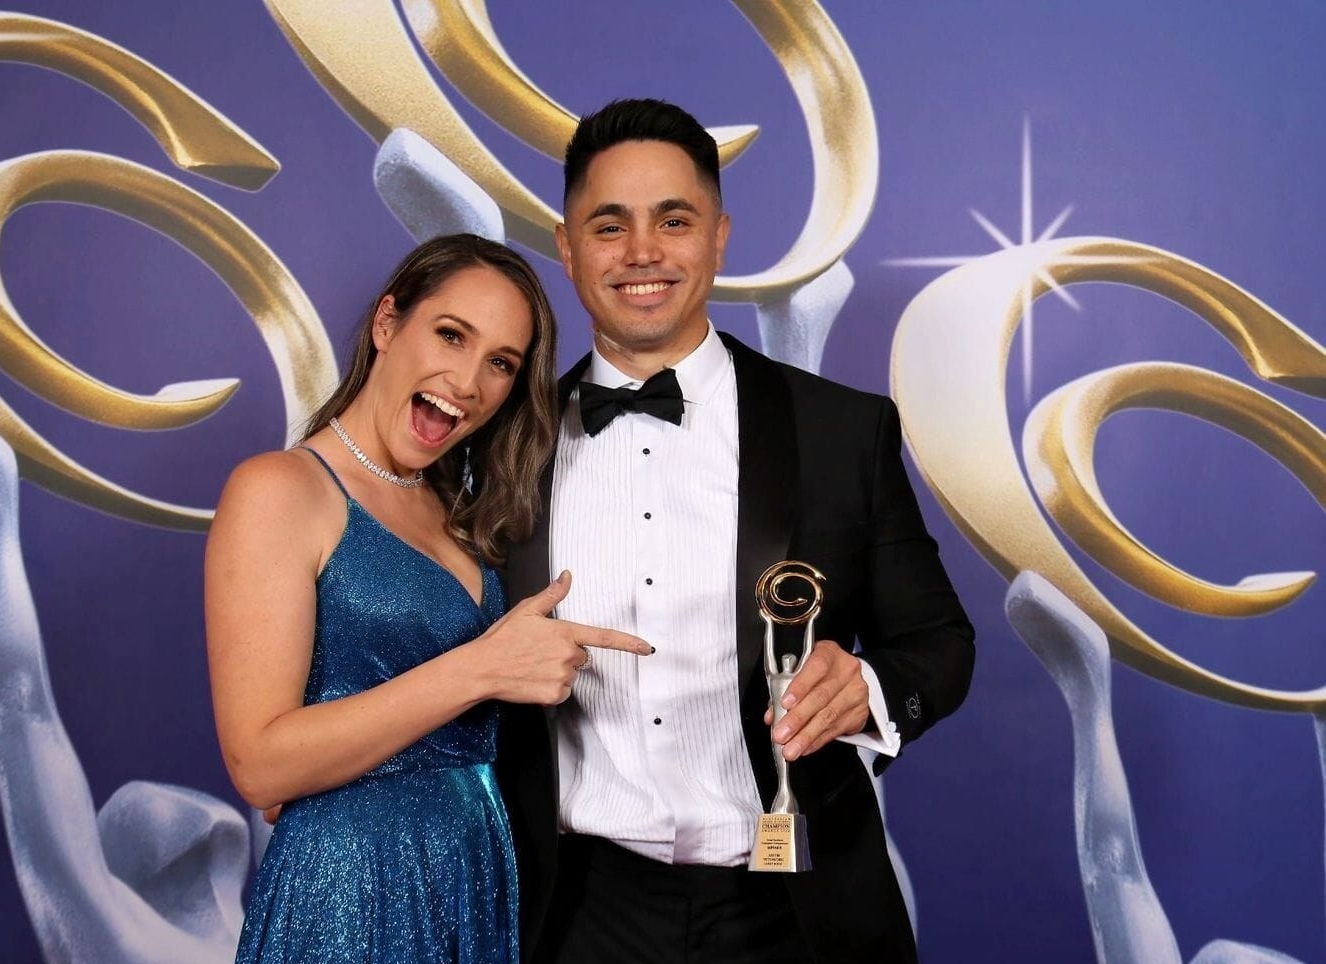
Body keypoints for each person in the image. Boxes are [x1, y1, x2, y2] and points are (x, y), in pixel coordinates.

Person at [494, 100, 976, 963]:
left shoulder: (840, 430)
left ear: (718, 238)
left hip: (795, 907)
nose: (643, 252)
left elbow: (940, 643)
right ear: (567, 248)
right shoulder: (502, 444)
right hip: (574, 913)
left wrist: (867, 687)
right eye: (610, 225)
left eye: (673, 221)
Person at [205, 233, 652, 964]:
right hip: (353, 889)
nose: (468, 381)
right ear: (387, 324)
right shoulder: (280, 489)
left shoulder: (461, 509)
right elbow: (259, 764)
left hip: (474, 873)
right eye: (451, 334)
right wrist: (482, 667)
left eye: (501, 363)